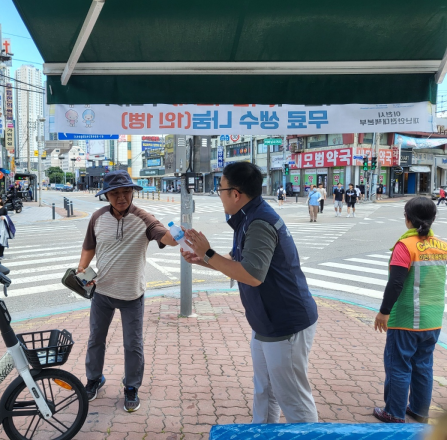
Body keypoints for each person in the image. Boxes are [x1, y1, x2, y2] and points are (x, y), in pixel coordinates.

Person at [182, 161, 319, 424]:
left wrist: (208, 253)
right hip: (266, 320)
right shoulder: (248, 217)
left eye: (221, 189)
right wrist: (204, 259)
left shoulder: (259, 222)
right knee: (265, 390)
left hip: (285, 322)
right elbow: (238, 260)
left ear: (235, 194)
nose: (219, 195)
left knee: (294, 400)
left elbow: (252, 275)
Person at [78, 170, 179, 413]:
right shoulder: (97, 217)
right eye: (115, 193)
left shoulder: (143, 218)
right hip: (102, 292)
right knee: (95, 339)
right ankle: (94, 379)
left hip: (132, 294)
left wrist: (177, 235)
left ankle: (131, 386)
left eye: (126, 191)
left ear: (133, 192)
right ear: (106, 195)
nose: (121, 197)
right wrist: (82, 270)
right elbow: (89, 247)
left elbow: (165, 237)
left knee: (133, 344)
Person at [373, 197, 447, 424]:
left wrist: (384, 312)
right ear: (433, 218)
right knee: (423, 366)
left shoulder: (405, 246)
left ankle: (394, 413)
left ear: (408, 219)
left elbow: (396, 283)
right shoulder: (443, 246)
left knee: (398, 365)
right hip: (433, 320)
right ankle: (419, 411)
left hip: (406, 319)